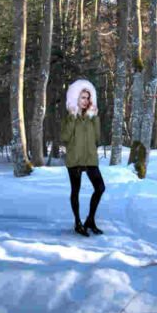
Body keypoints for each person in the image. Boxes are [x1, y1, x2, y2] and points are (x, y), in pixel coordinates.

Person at [62, 79, 105, 236]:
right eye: (82, 97)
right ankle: (77, 222)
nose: (86, 101)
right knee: (76, 191)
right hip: (74, 160)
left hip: (90, 159)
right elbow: (65, 137)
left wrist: (96, 117)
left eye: (88, 97)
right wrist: (73, 117)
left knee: (100, 188)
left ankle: (90, 220)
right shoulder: (69, 117)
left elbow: (97, 139)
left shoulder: (91, 117)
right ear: (75, 98)